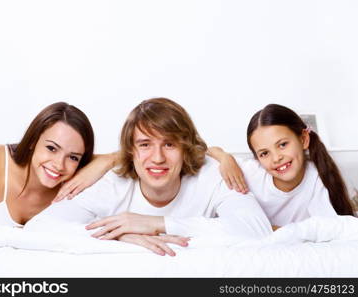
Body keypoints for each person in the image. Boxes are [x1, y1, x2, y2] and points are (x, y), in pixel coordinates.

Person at [26, 98, 272, 255]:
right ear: (131, 150)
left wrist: (157, 224)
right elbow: (39, 227)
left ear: (185, 147)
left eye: (169, 145)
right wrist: (118, 235)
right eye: (145, 145)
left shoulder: (213, 174)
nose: (157, 158)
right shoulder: (112, 184)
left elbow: (256, 229)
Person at [0, 102, 117, 226]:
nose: (59, 165)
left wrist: (107, 161)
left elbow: (132, 155)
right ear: (33, 141)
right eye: (51, 148)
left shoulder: (80, 172)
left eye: (73, 157)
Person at [208, 103, 355, 229]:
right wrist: (224, 157)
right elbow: (204, 150)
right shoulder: (249, 172)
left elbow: (328, 227)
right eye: (264, 153)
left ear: (303, 139)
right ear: (257, 158)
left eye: (283, 145)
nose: (277, 158)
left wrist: (274, 229)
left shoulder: (316, 177)